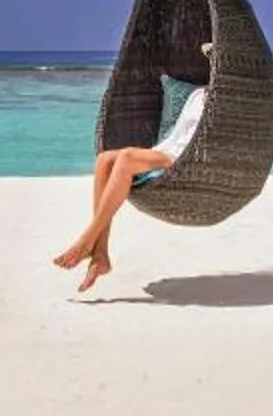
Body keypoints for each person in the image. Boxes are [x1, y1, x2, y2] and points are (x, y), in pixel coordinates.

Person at [53, 73, 207, 293]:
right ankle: (100, 254)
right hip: (169, 149)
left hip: (187, 158)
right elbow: (178, 132)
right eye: (211, 60)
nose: (214, 65)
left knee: (126, 157)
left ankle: (88, 238)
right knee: (104, 159)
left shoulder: (224, 100)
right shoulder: (196, 95)